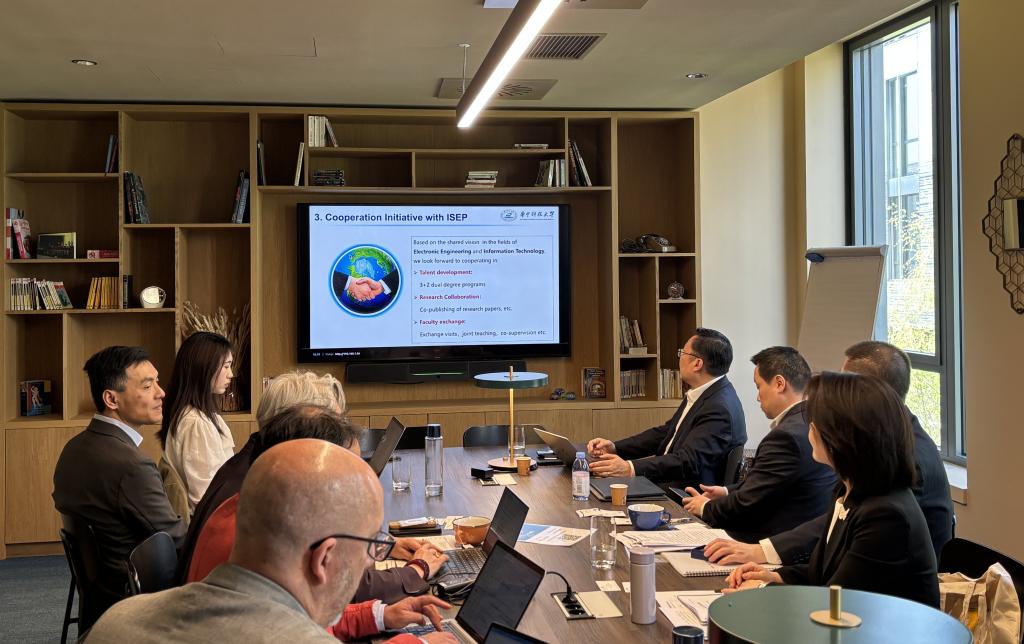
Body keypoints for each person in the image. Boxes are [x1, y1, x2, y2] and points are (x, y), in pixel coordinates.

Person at [86, 439, 455, 643]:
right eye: (371, 546)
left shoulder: (115, 622)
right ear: (323, 558)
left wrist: (376, 614)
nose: (370, 561)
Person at [179, 371, 441, 601]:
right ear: (300, 427)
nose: (338, 433)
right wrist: (415, 571)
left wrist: (378, 547)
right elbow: (337, 584)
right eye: (330, 424)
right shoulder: (268, 498)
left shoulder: (254, 468)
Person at [704, 340, 954, 566]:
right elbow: (838, 515)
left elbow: (858, 529)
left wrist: (764, 552)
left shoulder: (905, 457)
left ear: (868, 391)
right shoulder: (883, 436)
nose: (837, 394)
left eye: (845, 385)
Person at [724, 372, 940, 608]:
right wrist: (774, 576)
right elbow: (821, 573)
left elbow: (835, 602)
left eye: (816, 420)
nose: (810, 426)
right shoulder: (848, 490)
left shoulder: (886, 515)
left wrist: (761, 590)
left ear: (842, 435)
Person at [52, 346, 186, 614]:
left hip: (99, 596)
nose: (161, 393)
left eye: (157, 382)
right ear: (111, 399)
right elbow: (177, 540)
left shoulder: (73, 449)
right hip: (136, 598)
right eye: (147, 386)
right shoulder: (131, 465)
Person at [681, 347, 835, 541]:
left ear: (779, 384)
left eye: (758, 386)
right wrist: (727, 491)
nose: (757, 397)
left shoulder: (786, 437)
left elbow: (749, 502)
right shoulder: (810, 420)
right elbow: (768, 484)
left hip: (770, 538)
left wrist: (704, 507)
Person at [588, 328, 746, 487]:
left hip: (682, 493)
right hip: (667, 480)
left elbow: (688, 461)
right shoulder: (706, 393)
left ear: (697, 364)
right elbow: (666, 433)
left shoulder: (719, 408)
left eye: (682, 353)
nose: (680, 358)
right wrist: (616, 447)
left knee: (596, 487)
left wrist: (630, 468)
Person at [157, 331, 236, 514]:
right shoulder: (195, 423)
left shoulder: (198, 416)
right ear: (203, 368)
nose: (231, 374)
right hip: (210, 521)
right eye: (226, 366)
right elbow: (204, 497)